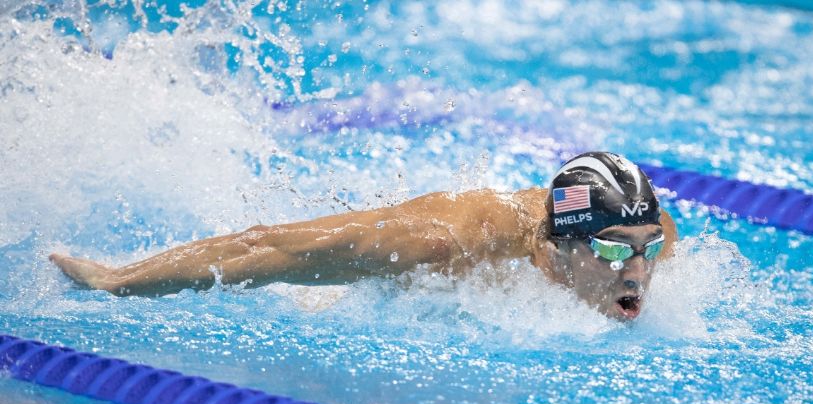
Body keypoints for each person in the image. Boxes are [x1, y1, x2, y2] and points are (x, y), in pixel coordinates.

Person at [50, 152, 677, 321]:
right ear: (557, 247)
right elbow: (267, 246)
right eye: (616, 250)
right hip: (360, 284)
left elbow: (642, 238)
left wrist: (636, 243)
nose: (637, 272)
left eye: (645, 248)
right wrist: (118, 281)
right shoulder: (447, 243)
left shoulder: (651, 232)